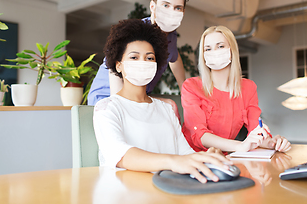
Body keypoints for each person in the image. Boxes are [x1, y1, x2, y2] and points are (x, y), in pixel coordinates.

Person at [93, 19, 233, 184]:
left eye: (150, 58)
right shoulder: (107, 108)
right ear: (118, 65)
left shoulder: (166, 109)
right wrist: (172, 162)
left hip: (169, 191)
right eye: (134, 57)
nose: (143, 62)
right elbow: (120, 154)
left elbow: (184, 153)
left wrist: (205, 157)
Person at [181, 25, 291, 153]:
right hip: (191, 156)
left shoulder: (248, 88)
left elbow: (256, 129)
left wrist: (273, 143)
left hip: (225, 159)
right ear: (203, 56)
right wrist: (240, 146)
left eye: (220, 46)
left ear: (232, 50)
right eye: (208, 49)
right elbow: (199, 135)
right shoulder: (191, 86)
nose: (214, 52)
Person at [88, 0, 190, 106]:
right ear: (153, 6)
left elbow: (174, 57)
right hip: (107, 97)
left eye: (178, 8)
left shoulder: (171, 36)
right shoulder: (135, 33)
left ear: (183, 12)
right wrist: (120, 106)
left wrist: (184, 88)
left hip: (138, 97)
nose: (171, 12)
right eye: (165, 5)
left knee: (171, 106)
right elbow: (113, 69)